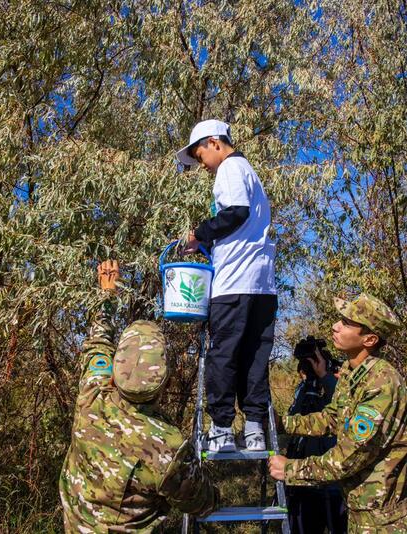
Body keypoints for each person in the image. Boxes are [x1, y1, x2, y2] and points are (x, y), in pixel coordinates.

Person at [59, 260, 219, 533]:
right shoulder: (167, 447)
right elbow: (202, 503)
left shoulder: (92, 395)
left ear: (113, 374)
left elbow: (98, 342)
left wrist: (107, 295)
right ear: (166, 384)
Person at [268, 293, 407, 533]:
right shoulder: (352, 373)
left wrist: (289, 469)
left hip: (385, 522)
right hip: (361, 511)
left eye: (347, 323)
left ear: (369, 339)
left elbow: (346, 459)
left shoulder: (381, 384)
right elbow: (332, 418)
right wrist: (282, 423)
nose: (335, 326)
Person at [176, 119, 277, 453]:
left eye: (200, 155)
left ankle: (221, 430)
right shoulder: (249, 173)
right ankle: (254, 429)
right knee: (254, 357)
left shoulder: (230, 168)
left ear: (215, 143)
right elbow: (243, 222)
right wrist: (207, 243)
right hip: (262, 286)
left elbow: (235, 212)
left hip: (234, 283)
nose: (202, 165)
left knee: (224, 355)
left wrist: (199, 234)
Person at [286, 337, 347, 533]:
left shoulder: (338, 384)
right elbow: (294, 420)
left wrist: (325, 377)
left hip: (333, 479)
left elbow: (342, 411)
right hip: (304, 478)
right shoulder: (304, 389)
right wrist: (308, 384)